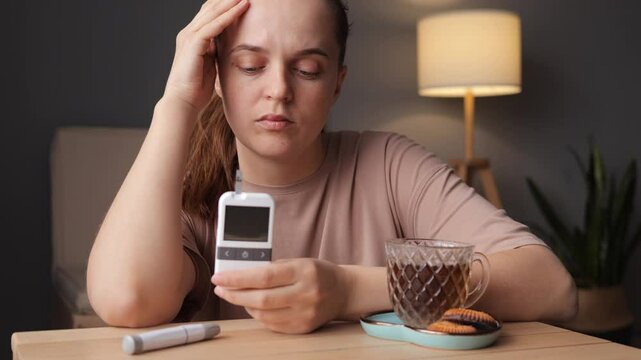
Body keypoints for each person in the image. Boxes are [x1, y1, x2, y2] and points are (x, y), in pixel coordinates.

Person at [87, 0, 577, 334]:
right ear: (216, 75)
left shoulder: (388, 165)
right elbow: (126, 299)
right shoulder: (188, 196)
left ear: (337, 83)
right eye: (251, 65)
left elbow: (552, 286)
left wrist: (350, 289)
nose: (279, 89)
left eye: (307, 70)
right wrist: (176, 102)